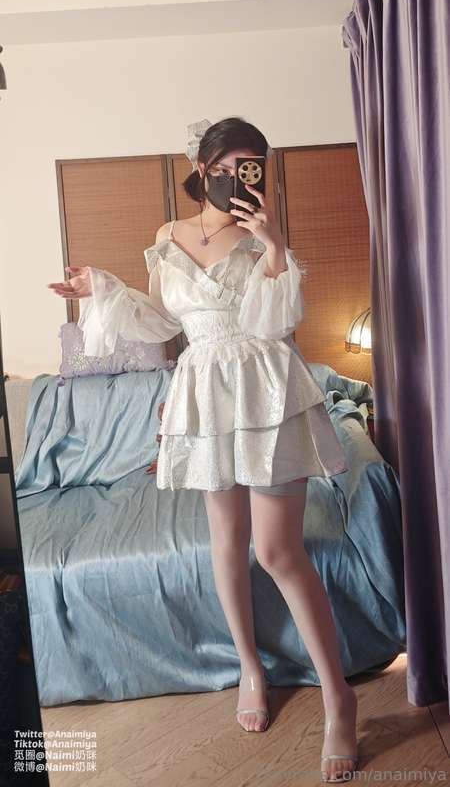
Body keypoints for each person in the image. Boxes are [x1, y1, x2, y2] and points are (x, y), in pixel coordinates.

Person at [48, 116, 359, 782]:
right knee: (225, 544)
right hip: (204, 390)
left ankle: (339, 698)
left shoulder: (265, 236)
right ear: (203, 168)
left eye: (251, 166)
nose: (237, 178)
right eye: (225, 167)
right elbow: (165, 322)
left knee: (277, 551)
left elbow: (278, 322)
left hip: (266, 389)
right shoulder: (168, 236)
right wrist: (101, 289)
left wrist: (273, 244)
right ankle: (250, 669)